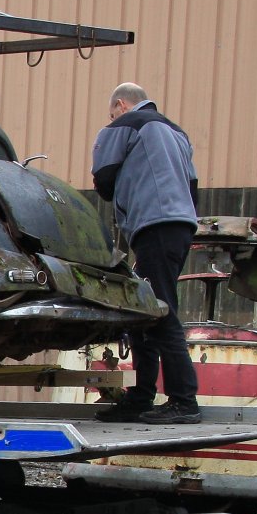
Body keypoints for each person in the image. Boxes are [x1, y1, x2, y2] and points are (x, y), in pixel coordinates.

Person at [91, 82, 201, 424]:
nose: (111, 119)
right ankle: (141, 396)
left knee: (161, 311)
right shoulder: (178, 133)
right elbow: (192, 185)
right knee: (144, 310)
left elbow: (103, 179)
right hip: (180, 226)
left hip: (153, 225)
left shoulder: (126, 124)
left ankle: (184, 401)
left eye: (111, 113)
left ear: (121, 105)